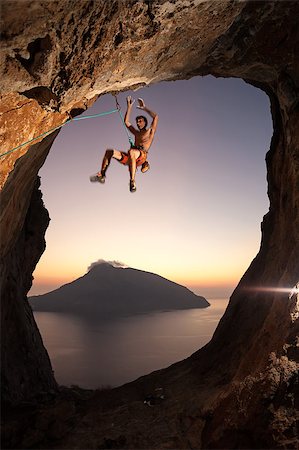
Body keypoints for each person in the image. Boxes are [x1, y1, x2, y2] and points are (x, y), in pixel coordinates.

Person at [90, 96, 158, 192]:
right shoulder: (136, 133)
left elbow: (155, 117)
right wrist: (129, 106)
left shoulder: (150, 132)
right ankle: (102, 175)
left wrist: (144, 108)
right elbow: (126, 122)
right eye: (137, 122)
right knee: (109, 152)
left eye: (140, 121)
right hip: (132, 158)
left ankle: (132, 181)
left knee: (132, 152)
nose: (138, 123)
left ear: (145, 122)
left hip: (142, 156)